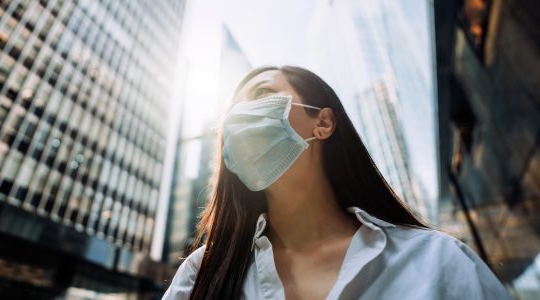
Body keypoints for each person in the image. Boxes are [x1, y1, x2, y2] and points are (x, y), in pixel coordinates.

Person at [162, 66, 511, 299]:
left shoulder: (438, 261)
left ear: (323, 123)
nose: (240, 117)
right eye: (232, 112)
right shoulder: (201, 274)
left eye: (261, 93)